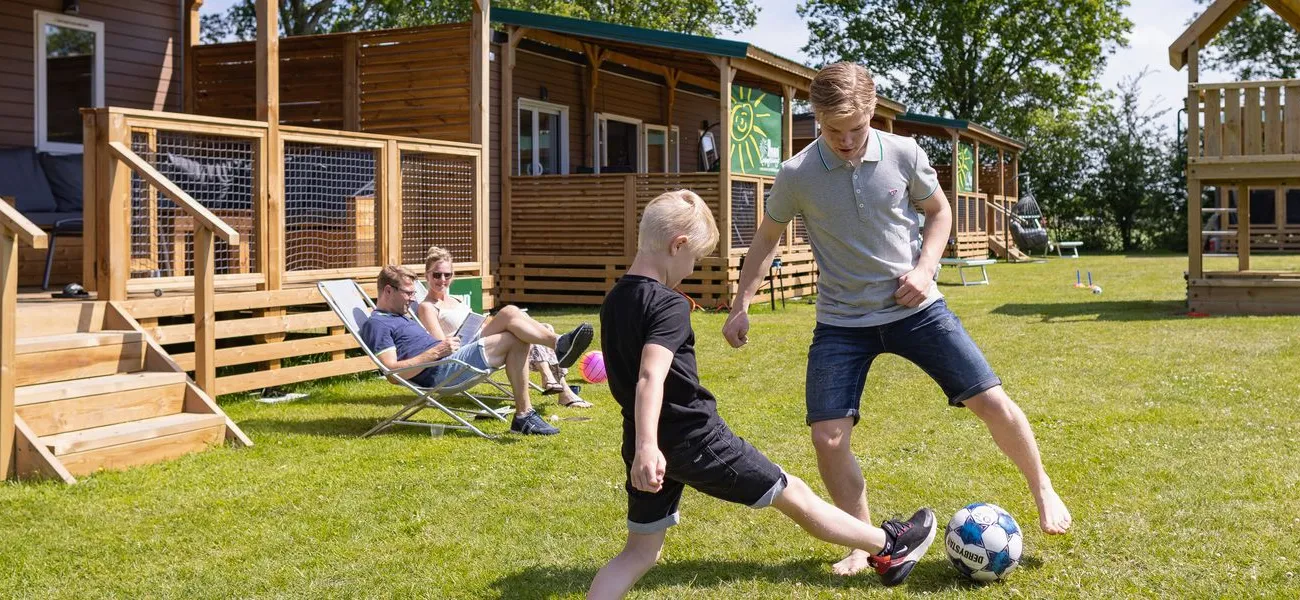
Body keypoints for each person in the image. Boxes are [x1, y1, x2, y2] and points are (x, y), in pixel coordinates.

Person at [722, 62, 1072, 576]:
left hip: (917, 308)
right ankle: (864, 544)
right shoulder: (798, 174)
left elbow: (939, 211)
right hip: (841, 321)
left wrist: (926, 268)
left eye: (855, 129)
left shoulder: (905, 153)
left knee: (990, 399)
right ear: (817, 119)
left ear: (872, 112)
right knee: (828, 437)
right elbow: (766, 239)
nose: (844, 141)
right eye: (831, 130)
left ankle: (1042, 487)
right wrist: (740, 303)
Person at [588, 190, 937, 599]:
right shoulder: (667, 305)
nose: (690, 268)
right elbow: (650, 376)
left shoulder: (615, 299)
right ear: (676, 245)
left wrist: (644, 446)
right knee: (792, 493)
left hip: (644, 444)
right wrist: (650, 446)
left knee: (638, 553)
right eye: (693, 259)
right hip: (694, 439)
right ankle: (888, 546)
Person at [361, 265, 587, 435]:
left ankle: (559, 345)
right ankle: (525, 414)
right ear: (388, 291)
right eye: (408, 293)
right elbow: (391, 373)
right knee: (514, 337)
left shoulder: (401, 314)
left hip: (449, 356)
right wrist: (437, 352)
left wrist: (443, 345)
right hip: (442, 370)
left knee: (509, 313)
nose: (412, 299)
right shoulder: (378, 324)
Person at [415, 247, 593, 408]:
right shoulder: (427, 306)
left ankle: (561, 385)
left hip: (479, 337)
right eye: (437, 275)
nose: (443, 280)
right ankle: (558, 345)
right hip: (464, 352)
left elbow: (480, 323)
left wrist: (489, 322)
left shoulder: (458, 300)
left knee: (536, 326)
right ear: (427, 275)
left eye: (448, 275)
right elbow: (441, 345)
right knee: (510, 312)